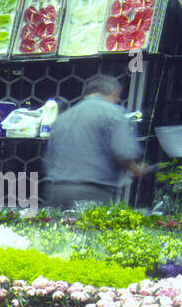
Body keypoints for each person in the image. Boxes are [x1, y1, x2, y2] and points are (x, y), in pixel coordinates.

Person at [43, 74, 145, 208]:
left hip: (56, 190)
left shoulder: (63, 117)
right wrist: (137, 169)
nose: (117, 100)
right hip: (92, 192)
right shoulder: (114, 113)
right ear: (112, 93)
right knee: (88, 229)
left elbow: (49, 157)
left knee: (57, 227)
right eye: (117, 97)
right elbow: (123, 154)